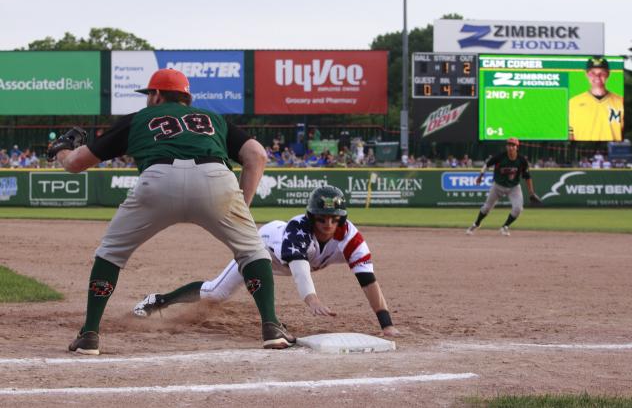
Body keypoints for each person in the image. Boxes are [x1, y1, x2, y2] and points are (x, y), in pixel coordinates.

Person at [49, 68, 294, 355]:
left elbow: (75, 163)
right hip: (215, 179)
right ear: (186, 98)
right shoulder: (213, 119)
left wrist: (61, 150)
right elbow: (257, 155)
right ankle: (271, 327)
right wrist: (241, 208)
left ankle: (89, 334)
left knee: (110, 253)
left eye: (149, 94)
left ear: (156, 94)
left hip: (159, 179)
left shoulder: (139, 119)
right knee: (253, 252)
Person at [133, 186, 401, 338]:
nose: (328, 224)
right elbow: (299, 270)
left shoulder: (351, 238)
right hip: (262, 246)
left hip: (298, 260)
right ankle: (158, 301)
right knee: (216, 292)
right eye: (321, 218)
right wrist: (312, 299)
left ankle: (269, 322)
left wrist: (386, 324)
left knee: (352, 266)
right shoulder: (298, 229)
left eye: (334, 218)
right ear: (311, 217)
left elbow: (368, 281)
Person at [466, 138, 538, 236]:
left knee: (518, 208)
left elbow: (527, 177)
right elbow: (487, 165)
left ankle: (505, 227)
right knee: (486, 208)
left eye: (513, 145)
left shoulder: (522, 160)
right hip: (498, 186)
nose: (511, 147)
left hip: (514, 187)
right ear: (506, 146)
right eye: (509, 145)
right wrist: (480, 175)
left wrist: (531, 192)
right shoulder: (500, 157)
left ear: (517, 148)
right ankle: (476, 223)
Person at [569, 56, 624, 141]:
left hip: (614, 151)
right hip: (584, 149)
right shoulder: (573, 102)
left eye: (602, 73)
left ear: (608, 74)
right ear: (586, 74)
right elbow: (570, 134)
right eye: (592, 73)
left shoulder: (621, 102)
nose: (597, 77)